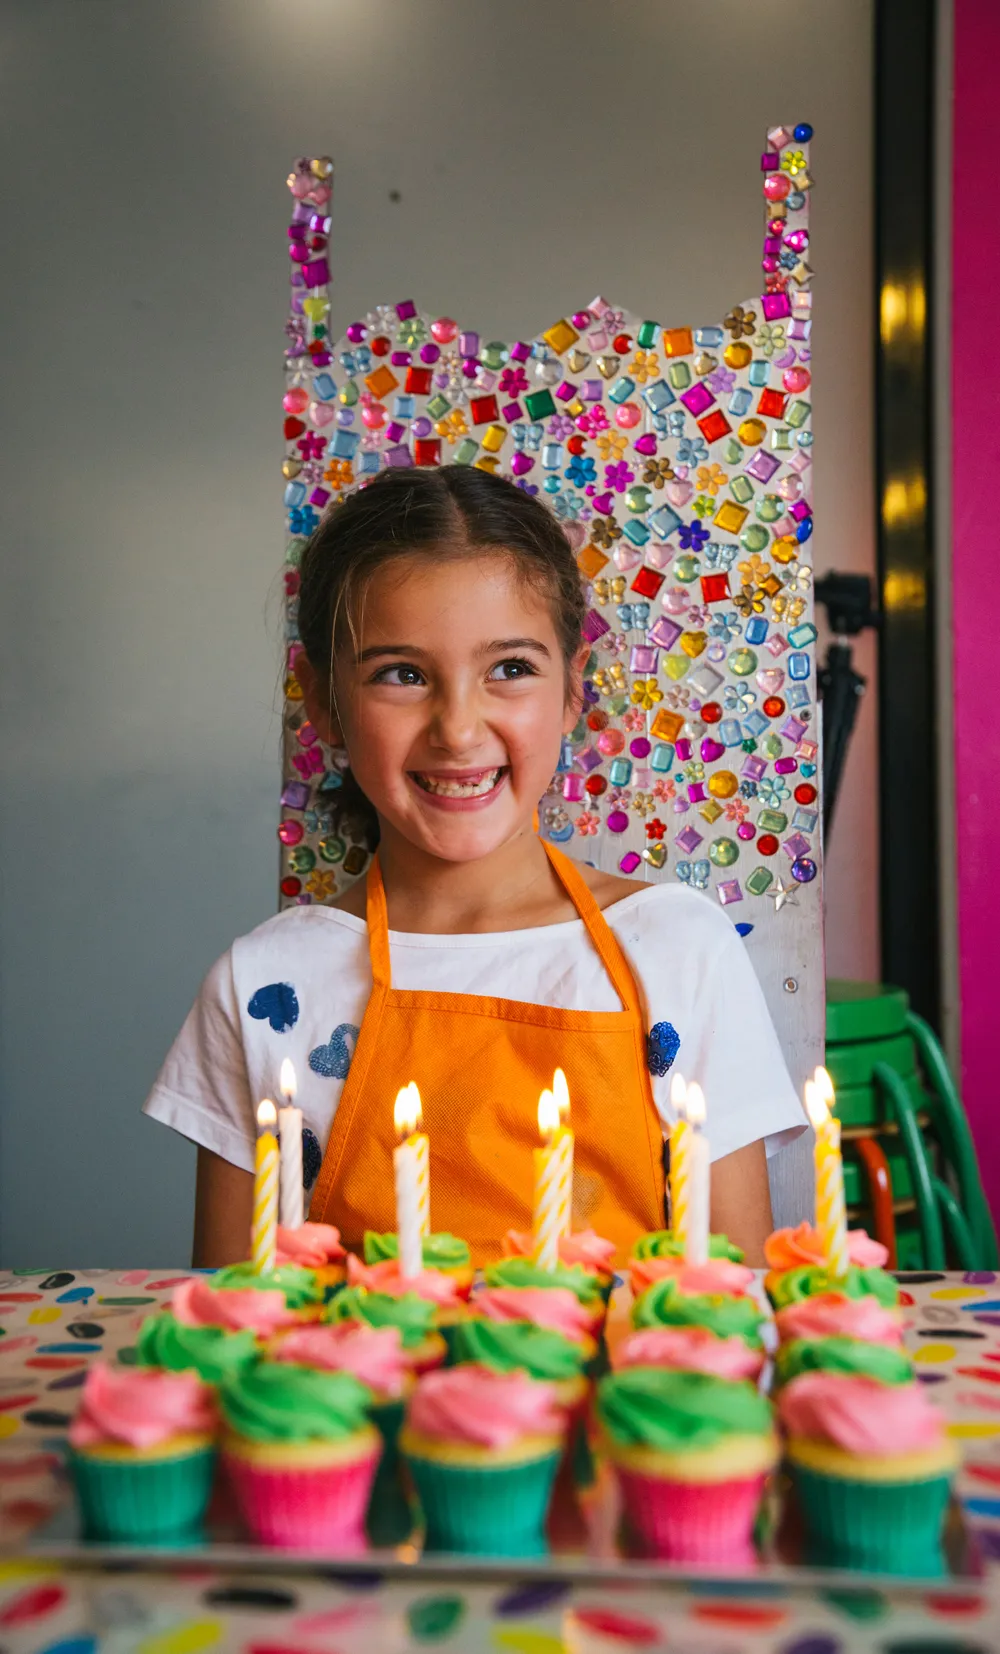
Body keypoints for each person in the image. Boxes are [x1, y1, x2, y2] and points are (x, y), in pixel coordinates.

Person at [144, 466, 804, 1268]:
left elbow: (731, 1305)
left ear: (571, 694)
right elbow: (232, 1320)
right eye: (402, 674)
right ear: (322, 704)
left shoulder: (677, 949)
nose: (458, 728)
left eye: (511, 669)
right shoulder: (263, 986)